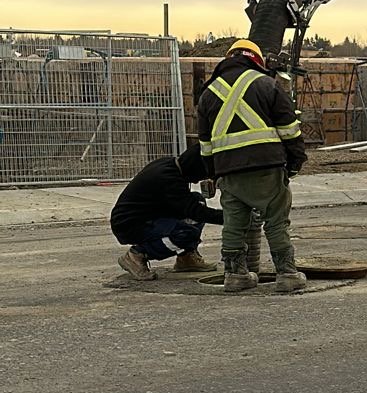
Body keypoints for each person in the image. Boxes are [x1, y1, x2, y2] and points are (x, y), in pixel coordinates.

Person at [196, 38, 307, 294]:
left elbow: (205, 145)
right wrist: (294, 163)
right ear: (256, 59)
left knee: (234, 224)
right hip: (266, 167)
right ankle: (287, 274)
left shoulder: (208, 92)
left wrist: (214, 175)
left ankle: (235, 276)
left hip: (229, 173)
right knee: (276, 220)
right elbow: (290, 132)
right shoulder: (267, 84)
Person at [110, 140, 225, 283]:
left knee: (197, 200)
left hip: (151, 215)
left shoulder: (170, 166)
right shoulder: (169, 179)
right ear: (195, 168)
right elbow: (194, 211)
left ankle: (186, 257)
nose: (197, 181)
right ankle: (137, 255)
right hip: (131, 225)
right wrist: (230, 218)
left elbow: (188, 207)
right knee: (185, 234)